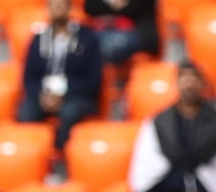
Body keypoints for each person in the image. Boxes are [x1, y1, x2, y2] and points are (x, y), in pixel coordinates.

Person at [128, 62, 216, 192]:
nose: (189, 82)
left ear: (203, 84)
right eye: (184, 78)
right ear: (176, 83)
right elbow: (146, 166)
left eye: (194, 78)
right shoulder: (159, 122)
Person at [18, 0, 102, 148]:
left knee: (69, 113)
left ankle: (60, 156)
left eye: (60, 6)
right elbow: (29, 78)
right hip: (44, 94)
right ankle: (35, 155)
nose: (57, 10)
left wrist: (64, 92)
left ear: (69, 8)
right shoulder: (38, 39)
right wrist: (42, 95)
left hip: (76, 95)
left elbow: (93, 79)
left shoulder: (87, 38)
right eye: (53, 6)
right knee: (26, 112)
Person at [85, 0, 158, 65]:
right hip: (103, 33)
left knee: (107, 48)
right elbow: (90, 7)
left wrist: (114, 6)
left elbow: (135, 7)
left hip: (136, 33)